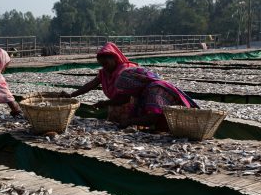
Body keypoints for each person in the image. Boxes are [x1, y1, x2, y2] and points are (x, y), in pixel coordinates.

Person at [61, 42, 199, 132]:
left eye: (106, 62)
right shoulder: (140, 89)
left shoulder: (148, 86)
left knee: (136, 124)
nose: (104, 66)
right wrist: (72, 95)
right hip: (156, 120)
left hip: (178, 125)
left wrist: (130, 121)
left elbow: (152, 116)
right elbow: (91, 84)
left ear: (114, 59)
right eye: (101, 63)